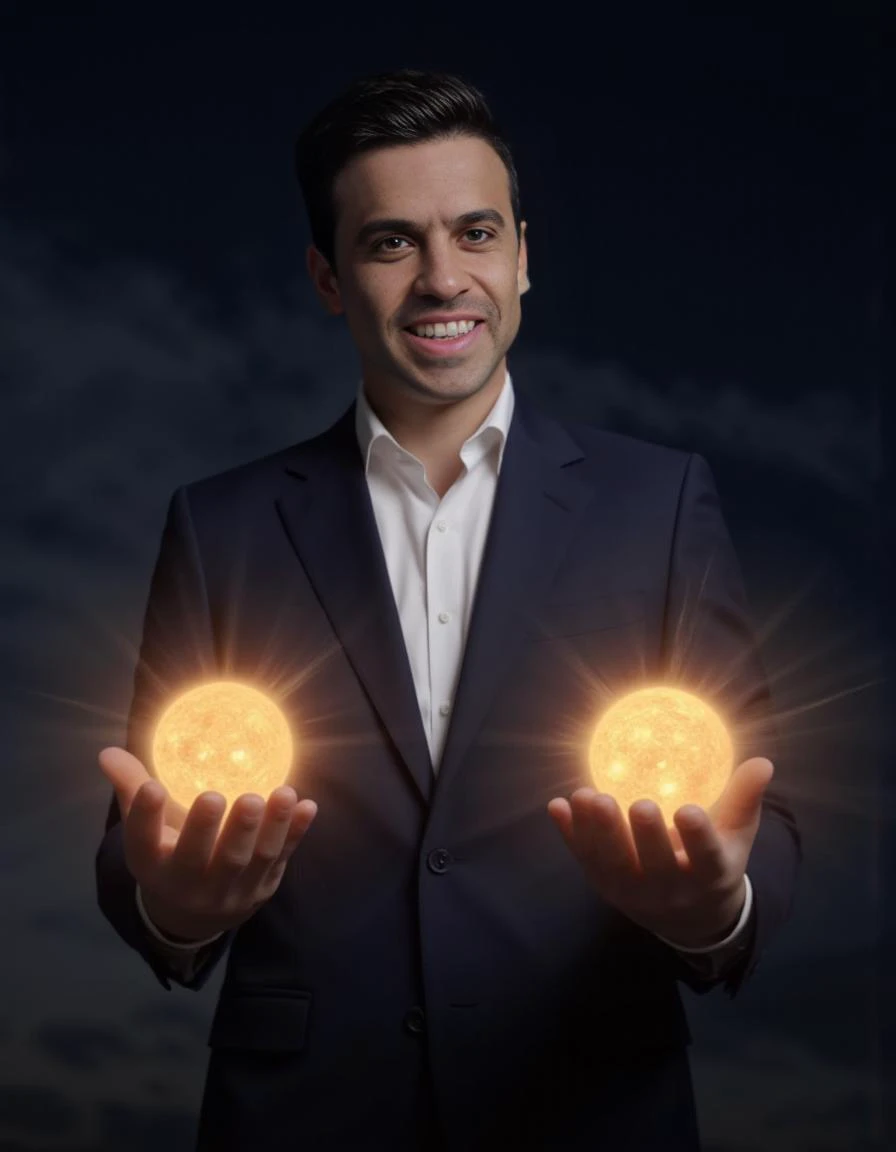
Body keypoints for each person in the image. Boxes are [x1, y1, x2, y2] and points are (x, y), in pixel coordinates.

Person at [95, 68, 801, 1152]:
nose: (441, 279)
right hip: (306, 1118)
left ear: (522, 256)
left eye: (474, 234)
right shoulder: (221, 525)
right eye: (389, 244)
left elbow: (767, 821)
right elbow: (136, 847)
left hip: (590, 1107)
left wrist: (714, 908)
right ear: (328, 278)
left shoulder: (656, 502)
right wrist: (180, 904)